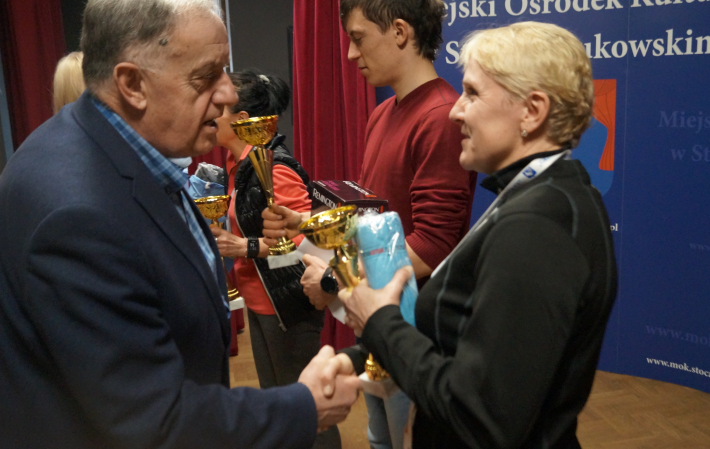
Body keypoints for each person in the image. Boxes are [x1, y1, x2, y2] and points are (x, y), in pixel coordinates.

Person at [0, 1, 359, 448]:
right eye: (206, 77)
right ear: (132, 84)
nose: (227, 95)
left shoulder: (118, 152)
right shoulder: (79, 214)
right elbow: (154, 422)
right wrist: (304, 407)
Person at [333, 21, 619, 448]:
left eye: (472, 93)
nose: (455, 111)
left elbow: (483, 416)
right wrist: (356, 356)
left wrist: (380, 323)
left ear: (532, 111)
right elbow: (461, 336)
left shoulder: (538, 227)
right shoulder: (540, 197)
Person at [266, 1, 476, 448]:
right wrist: (306, 222)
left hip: (417, 328)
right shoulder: (383, 113)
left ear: (400, 32)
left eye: (359, 39)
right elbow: (371, 219)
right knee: (380, 438)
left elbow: (433, 244)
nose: (350, 54)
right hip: (379, 322)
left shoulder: (440, 115)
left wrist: (335, 280)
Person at [210, 69, 341, 448]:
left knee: (309, 409)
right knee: (280, 403)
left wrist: (243, 247)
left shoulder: (275, 168)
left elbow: (303, 240)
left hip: (287, 303)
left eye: (219, 108)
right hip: (260, 298)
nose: (211, 113)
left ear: (241, 119)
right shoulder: (237, 166)